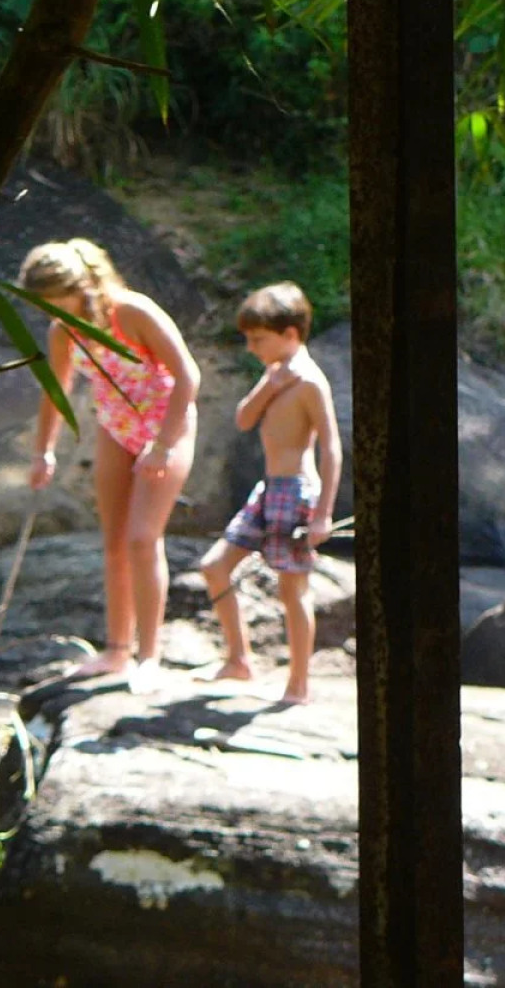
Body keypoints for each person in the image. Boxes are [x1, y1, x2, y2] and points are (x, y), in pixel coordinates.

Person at [20, 238, 201, 689]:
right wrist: (45, 451)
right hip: (115, 426)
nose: (47, 311)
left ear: (77, 285)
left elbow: (188, 375)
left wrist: (162, 446)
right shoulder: (64, 330)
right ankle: (117, 652)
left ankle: (150, 656)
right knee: (115, 543)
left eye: (50, 300)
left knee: (143, 538)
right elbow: (55, 391)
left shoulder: (132, 312)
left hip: (165, 424)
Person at [199, 282, 341, 704]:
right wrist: (270, 385)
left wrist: (323, 514)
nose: (251, 347)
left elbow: (331, 446)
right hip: (268, 489)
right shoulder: (276, 375)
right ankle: (238, 660)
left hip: (297, 491)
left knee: (292, 589)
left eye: (258, 339)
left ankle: (298, 686)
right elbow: (244, 419)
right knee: (214, 566)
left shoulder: (311, 382)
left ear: (290, 335)